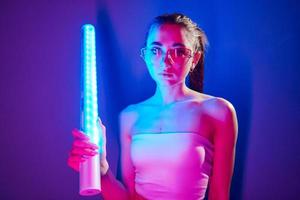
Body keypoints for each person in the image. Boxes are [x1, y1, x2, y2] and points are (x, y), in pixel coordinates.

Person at [68, 13, 238, 200]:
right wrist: (102, 172)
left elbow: (220, 195)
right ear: (146, 55)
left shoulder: (218, 112)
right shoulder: (130, 116)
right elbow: (129, 197)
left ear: (195, 59)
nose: (166, 61)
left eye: (179, 51)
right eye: (156, 50)